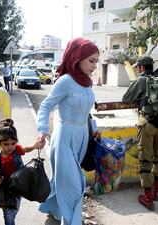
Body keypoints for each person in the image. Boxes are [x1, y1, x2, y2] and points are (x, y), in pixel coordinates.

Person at [36, 37, 100, 224]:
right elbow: (46, 106)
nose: (95, 66)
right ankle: (72, 221)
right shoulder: (65, 81)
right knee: (75, 184)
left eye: (96, 61)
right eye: (91, 60)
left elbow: (88, 112)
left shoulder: (87, 82)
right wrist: (42, 130)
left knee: (63, 179)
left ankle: (53, 208)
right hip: (64, 137)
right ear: (77, 58)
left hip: (81, 137)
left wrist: (94, 129)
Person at [122, 55, 158, 211]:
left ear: (141, 68)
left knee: (145, 159)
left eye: (138, 68)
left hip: (148, 124)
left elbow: (126, 98)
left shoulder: (141, 80)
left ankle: (148, 197)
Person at [0, 118, 45, 225]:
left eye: (13, 143)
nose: (10, 147)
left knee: (15, 209)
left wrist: (35, 146)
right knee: (9, 215)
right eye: (6, 144)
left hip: (19, 188)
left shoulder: (17, 150)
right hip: (6, 190)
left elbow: (25, 149)